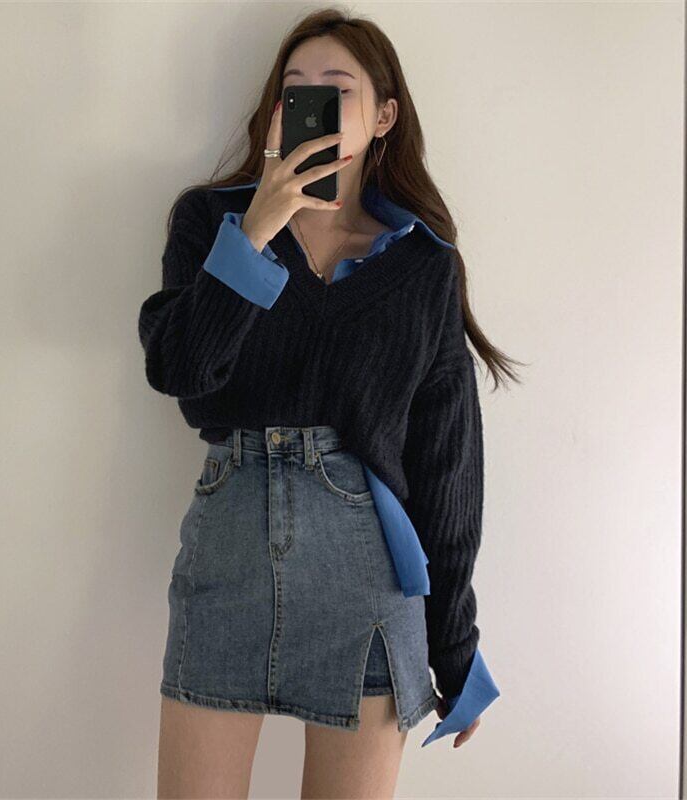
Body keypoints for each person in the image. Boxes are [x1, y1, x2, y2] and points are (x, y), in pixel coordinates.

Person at [138, 9, 519, 798]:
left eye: (336, 89)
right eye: (295, 89)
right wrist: (256, 231)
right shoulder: (210, 222)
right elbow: (182, 370)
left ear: (384, 116)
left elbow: (446, 463)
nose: (310, 102)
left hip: (366, 576)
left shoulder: (421, 266)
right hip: (228, 560)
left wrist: (455, 647)